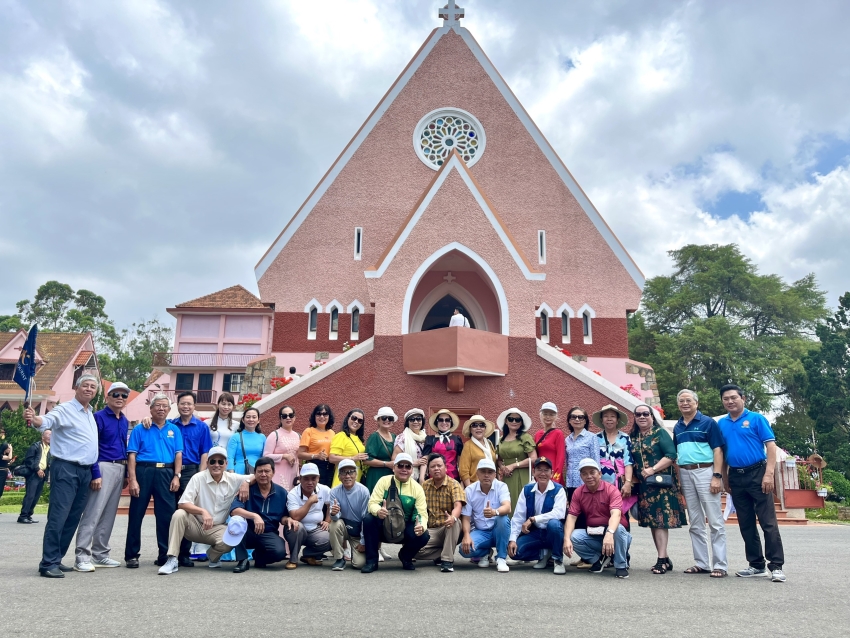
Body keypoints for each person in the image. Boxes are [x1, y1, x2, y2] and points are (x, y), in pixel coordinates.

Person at [25, 374, 100, 578]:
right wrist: (35, 418)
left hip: (85, 471)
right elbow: (46, 421)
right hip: (66, 468)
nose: (89, 389)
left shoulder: (90, 413)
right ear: (76, 387)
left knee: (73, 517)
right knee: (58, 516)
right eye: (85, 385)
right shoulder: (65, 409)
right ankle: (48, 563)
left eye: (93, 387)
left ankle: (57, 558)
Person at [718, 384, 786, 582]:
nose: (730, 401)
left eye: (733, 397)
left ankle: (776, 566)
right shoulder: (722, 424)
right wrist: (725, 476)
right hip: (736, 477)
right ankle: (756, 565)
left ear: (743, 398)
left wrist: (769, 474)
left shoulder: (756, 419)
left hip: (758, 473)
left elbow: (770, 446)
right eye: (726, 399)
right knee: (745, 523)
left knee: (768, 522)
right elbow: (721, 452)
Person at [157, 446, 253, 574]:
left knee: (233, 538)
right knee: (179, 514)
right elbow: (183, 503)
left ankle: (212, 557)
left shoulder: (233, 479)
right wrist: (203, 511)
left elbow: (255, 475)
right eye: (212, 461)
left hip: (217, 528)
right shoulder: (198, 477)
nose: (216, 465)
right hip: (195, 525)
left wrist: (246, 482)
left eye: (220, 462)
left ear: (226, 464)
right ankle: (172, 559)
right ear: (207, 463)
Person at [74, 382, 131, 571]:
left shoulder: (124, 420)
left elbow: (123, 446)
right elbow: (92, 446)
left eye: (124, 396)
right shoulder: (97, 417)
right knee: (93, 512)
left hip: (119, 468)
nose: (120, 398)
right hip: (103, 466)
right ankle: (82, 556)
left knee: (108, 515)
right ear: (107, 397)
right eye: (116, 395)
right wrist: (95, 473)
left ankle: (100, 554)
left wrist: (125, 474)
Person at [124, 393, 183, 569]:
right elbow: (132, 455)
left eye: (165, 406)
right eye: (157, 405)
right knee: (136, 514)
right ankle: (132, 555)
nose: (161, 408)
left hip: (166, 471)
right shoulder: (140, 429)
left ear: (169, 409)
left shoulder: (174, 429)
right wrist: (133, 479)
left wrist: (176, 475)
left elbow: (178, 454)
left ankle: (165, 554)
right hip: (144, 471)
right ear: (151, 408)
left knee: (166, 516)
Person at [673, 389, 728, 578]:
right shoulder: (678, 426)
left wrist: (717, 476)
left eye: (688, 400)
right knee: (695, 521)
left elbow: (718, 450)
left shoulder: (708, 423)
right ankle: (702, 563)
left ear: (696, 403)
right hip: (686, 473)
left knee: (715, 521)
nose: (685, 403)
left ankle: (720, 564)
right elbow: (678, 454)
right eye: (681, 401)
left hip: (705, 471)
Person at [630, 402, 687, 575]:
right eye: (638, 414)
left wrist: (652, 469)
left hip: (662, 484)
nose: (642, 417)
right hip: (645, 486)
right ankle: (664, 557)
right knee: (653, 522)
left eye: (645, 414)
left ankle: (661, 559)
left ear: (651, 416)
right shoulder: (633, 436)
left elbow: (671, 455)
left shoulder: (659, 432)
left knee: (661, 520)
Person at [564, 458, 632, 579]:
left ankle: (621, 564)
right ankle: (598, 560)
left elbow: (615, 514)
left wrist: (610, 533)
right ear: (580, 476)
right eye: (584, 473)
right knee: (574, 536)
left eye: (592, 472)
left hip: (615, 533)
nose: (589, 476)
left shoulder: (611, 490)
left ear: (600, 474)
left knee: (619, 530)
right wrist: (566, 539)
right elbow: (571, 517)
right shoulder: (578, 493)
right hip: (594, 532)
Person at [361, 453, 429, 573]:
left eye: (408, 466)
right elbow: (372, 503)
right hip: (384, 525)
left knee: (424, 535)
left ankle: (405, 556)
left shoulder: (417, 488)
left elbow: (422, 513)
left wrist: (421, 526)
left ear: (412, 470)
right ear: (394, 468)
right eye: (400, 466)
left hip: (403, 528)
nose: (404, 469)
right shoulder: (383, 481)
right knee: (369, 519)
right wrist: (378, 511)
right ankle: (371, 561)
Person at [230, 456, 296, 573]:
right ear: (254, 473)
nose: (263, 474)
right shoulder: (247, 490)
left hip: (268, 532)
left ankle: (259, 557)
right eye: (260, 471)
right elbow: (234, 510)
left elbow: (283, 517)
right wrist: (254, 516)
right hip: (248, 531)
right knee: (236, 522)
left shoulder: (281, 492)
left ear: (273, 472)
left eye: (267, 471)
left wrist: (288, 520)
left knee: (279, 552)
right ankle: (243, 560)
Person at [508, 457, 567, 573]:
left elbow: (559, 513)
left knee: (554, 524)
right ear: (534, 472)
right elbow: (518, 516)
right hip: (535, 533)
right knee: (515, 553)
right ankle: (543, 554)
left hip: (552, 533)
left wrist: (534, 519)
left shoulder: (559, 490)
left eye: (546, 470)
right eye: (539, 469)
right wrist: (513, 539)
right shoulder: (527, 490)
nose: (543, 473)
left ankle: (557, 559)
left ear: (552, 473)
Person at [459, 459, 512, 572]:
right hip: (481, 532)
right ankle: (486, 552)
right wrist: (466, 535)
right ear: (477, 473)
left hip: (498, 531)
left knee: (502, 518)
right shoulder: (469, 490)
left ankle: (501, 558)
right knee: (463, 550)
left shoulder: (501, 486)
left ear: (495, 474)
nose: (486, 475)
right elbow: (466, 518)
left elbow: (507, 507)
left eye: (490, 472)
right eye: (483, 472)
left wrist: (494, 512)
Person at [416, 453, 466, 572]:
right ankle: (442, 552)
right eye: (433, 466)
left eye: (439, 465)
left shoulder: (454, 484)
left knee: (454, 522)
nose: (436, 468)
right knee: (413, 551)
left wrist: (453, 517)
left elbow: (458, 505)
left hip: (448, 528)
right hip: (431, 531)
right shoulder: (425, 486)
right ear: (429, 470)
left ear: (446, 467)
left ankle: (447, 560)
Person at [285, 463, 333, 569]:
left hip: (316, 528)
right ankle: (293, 559)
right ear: (300, 479)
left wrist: (327, 520)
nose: (310, 482)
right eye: (306, 479)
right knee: (296, 527)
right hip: (297, 528)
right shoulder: (293, 493)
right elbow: (295, 517)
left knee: (332, 538)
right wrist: (310, 501)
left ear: (318, 478)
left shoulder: (324, 489)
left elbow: (331, 505)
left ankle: (309, 555)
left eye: (313, 478)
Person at [328, 459, 370, 570]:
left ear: (356, 474)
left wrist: (363, 541)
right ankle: (339, 558)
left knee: (359, 564)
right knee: (334, 524)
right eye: (343, 472)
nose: (347, 476)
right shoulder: (334, 492)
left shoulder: (364, 491)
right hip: (343, 526)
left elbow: (366, 519)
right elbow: (335, 517)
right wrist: (333, 513)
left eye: (351, 472)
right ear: (339, 476)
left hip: (357, 530)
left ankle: (353, 553)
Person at [496, 408, 537, 509]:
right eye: (511, 419)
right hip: (506, 476)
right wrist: (502, 467)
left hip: (522, 474)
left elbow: (533, 458)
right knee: (506, 502)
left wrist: (513, 465)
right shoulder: (501, 439)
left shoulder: (525, 437)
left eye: (517, 419)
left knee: (520, 505)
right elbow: (498, 459)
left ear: (521, 422)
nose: (514, 421)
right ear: (506, 421)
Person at [263, 405, 301, 490]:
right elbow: (266, 456)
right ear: (280, 419)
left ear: (294, 418)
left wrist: (298, 476)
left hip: (293, 475)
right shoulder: (274, 435)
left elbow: (298, 458)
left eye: (291, 415)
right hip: (278, 475)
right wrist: (284, 456)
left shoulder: (298, 436)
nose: (288, 418)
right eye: (284, 416)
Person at [297, 404, 336, 486]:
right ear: (314, 416)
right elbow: (300, 454)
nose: (322, 416)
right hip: (314, 467)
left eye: (325, 414)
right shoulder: (309, 431)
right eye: (319, 414)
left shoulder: (332, 433)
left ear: (329, 416)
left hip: (330, 468)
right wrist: (316, 456)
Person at [567, 406, 601, 499]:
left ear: (585, 421)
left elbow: (596, 459)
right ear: (569, 420)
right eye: (573, 417)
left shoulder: (591, 437)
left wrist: (597, 479)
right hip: (571, 481)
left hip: (586, 480)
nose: (577, 419)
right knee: (573, 508)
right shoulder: (567, 439)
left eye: (580, 417)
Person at [17, 430, 51, 524]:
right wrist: (37, 469)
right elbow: (29, 460)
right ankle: (22, 516)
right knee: (30, 495)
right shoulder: (35, 446)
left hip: (42, 474)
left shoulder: (48, 448)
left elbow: (46, 460)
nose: (50, 437)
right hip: (33, 474)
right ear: (42, 437)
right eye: (48, 435)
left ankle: (28, 515)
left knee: (36, 496)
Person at [329, 408, 368, 486]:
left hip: (356, 479)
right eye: (354, 418)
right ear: (348, 418)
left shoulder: (359, 439)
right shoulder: (341, 436)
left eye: (360, 421)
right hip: (342, 480)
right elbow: (332, 458)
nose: (356, 421)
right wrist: (353, 458)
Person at [423, 409, 464, 481]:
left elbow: (461, 463)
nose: (444, 422)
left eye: (447, 420)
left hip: (453, 478)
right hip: (434, 478)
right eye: (441, 420)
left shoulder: (457, 439)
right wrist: (421, 479)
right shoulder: (430, 439)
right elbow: (425, 460)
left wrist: (462, 480)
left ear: (451, 423)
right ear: (436, 422)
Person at [364, 407, 397, 493]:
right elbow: (367, 460)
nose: (387, 420)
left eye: (390, 418)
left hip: (391, 475)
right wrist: (386, 464)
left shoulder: (395, 437)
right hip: (377, 475)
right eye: (383, 417)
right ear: (378, 420)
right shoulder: (374, 436)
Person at [458, 415, 497, 487]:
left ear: (485, 428)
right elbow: (463, 471)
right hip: (475, 486)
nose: (478, 428)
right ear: (470, 429)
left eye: (482, 425)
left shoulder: (489, 443)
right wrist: (470, 489)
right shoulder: (468, 445)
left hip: (492, 485)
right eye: (475, 425)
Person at [534, 402, 566, 486]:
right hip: (540, 473)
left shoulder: (558, 433)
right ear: (541, 415)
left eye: (551, 414)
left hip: (552, 473)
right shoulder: (537, 434)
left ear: (555, 416)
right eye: (545, 414)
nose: (548, 417)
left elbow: (561, 457)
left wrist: (556, 478)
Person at [227, 407, 266, 474]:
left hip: (257, 473)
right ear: (243, 420)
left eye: (254, 417)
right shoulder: (236, 437)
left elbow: (265, 457)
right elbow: (230, 457)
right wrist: (231, 474)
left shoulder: (262, 437)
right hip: (239, 473)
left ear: (258, 420)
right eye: (248, 417)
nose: (251, 419)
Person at [392, 409, 428, 482]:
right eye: (412, 419)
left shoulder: (426, 438)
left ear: (422, 421)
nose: (415, 422)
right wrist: (414, 463)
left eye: (418, 419)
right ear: (407, 422)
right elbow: (394, 460)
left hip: (425, 477)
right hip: (408, 477)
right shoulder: (402, 438)